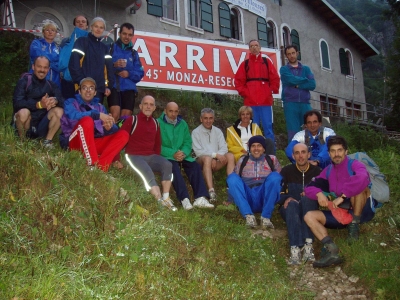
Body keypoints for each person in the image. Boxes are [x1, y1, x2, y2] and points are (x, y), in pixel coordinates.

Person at [304, 136, 378, 268]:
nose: (336, 154)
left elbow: (362, 178)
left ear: (346, 151)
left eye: (339, 150)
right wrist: (319, 193)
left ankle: (354, 227)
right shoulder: (328, 171)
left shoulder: (355, 165)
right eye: (333, 151)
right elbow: (309, 187)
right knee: (309, 216)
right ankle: (331, 249)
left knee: (360, 188)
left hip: (362, 211)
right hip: (341, 213)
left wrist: (343, 196)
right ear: (329, 153)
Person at [121, 95, 177, 211]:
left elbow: (157, 145)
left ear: (154, 108)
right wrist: (118, 159)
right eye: (146, 104)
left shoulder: (156, 124)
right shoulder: (132, 120)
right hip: (134, 155)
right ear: (140, 106)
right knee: (148, 173)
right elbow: (120, 139)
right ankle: (159, 200)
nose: (148, 106)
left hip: (151, 156)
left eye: (151, 105)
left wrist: (157, 160)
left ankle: (166, 198)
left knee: (168, 164)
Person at [60, 77, 129, 171]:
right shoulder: (70, 102)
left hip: (93, 143)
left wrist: (109, 128)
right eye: (84, 88)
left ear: (95, 92)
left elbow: (111, 130)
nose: (88, 91)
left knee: (123, 134)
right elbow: (73, 117)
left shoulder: (100, 107)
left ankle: (101, 167)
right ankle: (92, 164)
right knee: (87, 121)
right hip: (74, 141)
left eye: (91, 88)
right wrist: (96, 115)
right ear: (79, 91)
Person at [158, 102, 214, 209]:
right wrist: (172, 153)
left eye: (176, 111)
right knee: (173, 168)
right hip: (168, 156)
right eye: (171, 111)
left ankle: (200, 197)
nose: (173, 114)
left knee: (194, 166)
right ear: (165, 111)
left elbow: (188, 142)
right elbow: (157, 145)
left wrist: (183, 153)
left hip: (183, 155)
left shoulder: (182, 123)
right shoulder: (158, 123)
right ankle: (184, 199)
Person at [279, 143, 321, 265]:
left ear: (309, 154)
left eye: (303, 152)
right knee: (292, 204)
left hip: (309, 208)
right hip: (290, 209)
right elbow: (278, 193)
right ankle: (295, 248)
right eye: (297, 153)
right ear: (293, 155)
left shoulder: (317, 172)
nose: (300, 156)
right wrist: (286, 198)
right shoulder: (286, 171)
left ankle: (308, 245)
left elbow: (324, 192)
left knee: (308, 199)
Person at [227, 135, 282, 228]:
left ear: (264, 148)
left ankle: (266, 217)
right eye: (253, 146)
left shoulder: (271, 159)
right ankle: (248, 216)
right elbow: (234, 182)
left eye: (259, 145)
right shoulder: (242, 160)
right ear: (249, 148)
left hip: (264, 196)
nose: (256, 149)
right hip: (247, 196)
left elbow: (280, 181)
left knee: (276, 176)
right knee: (231, 177)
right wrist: (230, 199)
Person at [234, 39, 280, 142]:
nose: (254, 47)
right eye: (252, 46)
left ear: (259, 47)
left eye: (256, 45)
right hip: (250, 103)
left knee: (268, 128)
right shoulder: (245, 64)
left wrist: (270, 90)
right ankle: (252, 153)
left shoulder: (266, 62)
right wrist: (246, 93)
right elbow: (238, 81)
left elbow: (275, 78)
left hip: (265, 102)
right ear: (249, 49)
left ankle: (270, 153)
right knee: (252, 128)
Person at [12, 56, 64, 147]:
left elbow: (63, 101)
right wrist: (38, 105)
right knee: (23, 112)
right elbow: (17, 103)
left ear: (48, 69)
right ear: (33, 67)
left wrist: (55, 100)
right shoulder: (24, 81)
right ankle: (22, 142)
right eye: (39, 66)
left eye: (45, 67)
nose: (42, 70)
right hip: (26, 123)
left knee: (59, 110)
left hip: (41, 125)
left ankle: (47, 142)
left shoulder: (51, 85)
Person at [192, 108, 235, 202]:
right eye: (205, 118)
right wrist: (214, 156)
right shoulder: (195, 132)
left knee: (230, 156)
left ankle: (231, 186)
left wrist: (216, 157)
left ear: (213, 119)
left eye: (210, 118)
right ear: (201, 119)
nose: (208, 121)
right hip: (202, 162)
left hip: (216, 161)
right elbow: (198, 151)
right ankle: (211, 191)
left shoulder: (218, 131)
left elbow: (224, 147)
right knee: (207, 159)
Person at [69, 17, 114, 104]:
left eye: (101, 27)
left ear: (104, 30)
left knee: (96, 116)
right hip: (83, 88)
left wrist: (108, 86)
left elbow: (109, 69)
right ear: (91, 27)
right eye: (96, 26)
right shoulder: (81, 42)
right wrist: (82, 82)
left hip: (98, 90)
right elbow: (74, 64)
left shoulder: (104, 48)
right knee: (82, 116)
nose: (98, 29)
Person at [108, 22, 144, 121]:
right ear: (119, 34)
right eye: (124, 34)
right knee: (114, 115)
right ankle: (112, 136)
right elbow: (101, 66)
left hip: (129, 88)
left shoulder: (134, 53)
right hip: (114, 86)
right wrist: (113, 65)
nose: (127, 37)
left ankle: (122, 137)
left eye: (129, 35)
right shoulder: (110, 48)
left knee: (126, 119)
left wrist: (129, 74)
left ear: (132, 36)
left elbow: (140, 73)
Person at [280, 45, 316, 142]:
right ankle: (293, 155)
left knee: (310, 130)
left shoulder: (306, 69)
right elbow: (291, 80)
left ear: (297, 53)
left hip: (305, 103)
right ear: (286, 56)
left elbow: (312, 85)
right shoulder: (284, 69)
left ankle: (311, 154)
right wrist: (305, 80)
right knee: (293, 132)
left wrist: (298, 85)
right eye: (288, 54)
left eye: (293, 53)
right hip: (290, 103)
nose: (291, 56)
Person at [59, 15, 89, 99]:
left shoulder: (91, 41)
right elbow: (61, 63)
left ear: (87, 26)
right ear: (74, 25)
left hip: (84, 81)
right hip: (67, 81)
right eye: (78, 21)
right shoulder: (66, 41)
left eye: (83, 22)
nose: (80, 23)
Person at [29, 20, 61, 87]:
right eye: (47, 30)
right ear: (43, 32)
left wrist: (48, 61)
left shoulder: (58, 48)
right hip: (37, 81)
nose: (50, 32)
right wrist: (53, 60)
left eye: (53, 30)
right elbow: (38, 57)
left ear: (56, 33)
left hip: (55, 82)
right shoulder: (36, 43)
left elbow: (60, 65)